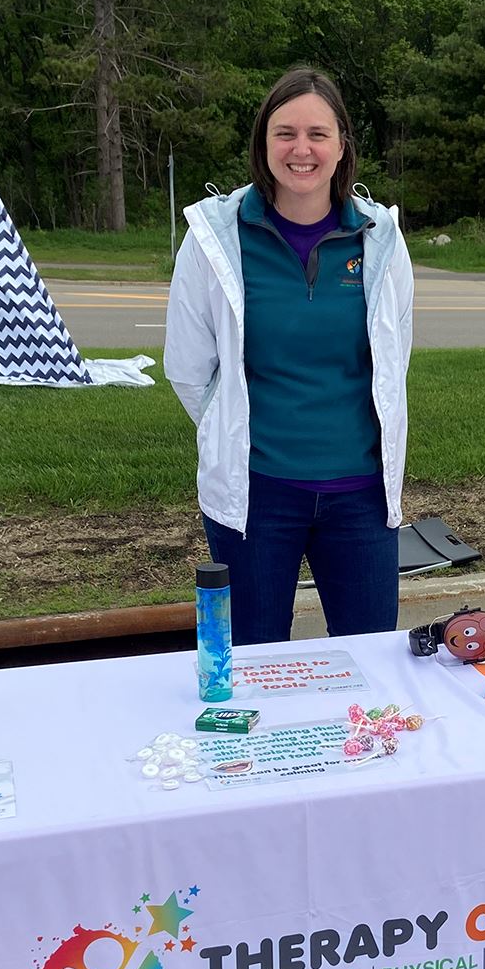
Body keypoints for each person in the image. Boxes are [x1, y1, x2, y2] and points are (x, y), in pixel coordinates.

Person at [164, 67, 414, 645]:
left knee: (369, 662)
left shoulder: (380, 237)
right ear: (263, 142)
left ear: (342, 145)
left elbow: (393, 359)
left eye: (318, 134)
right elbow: (189, 369)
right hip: (256, 495)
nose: (302, 149)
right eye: (285, 133)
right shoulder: (215, 237)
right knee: (253, 663)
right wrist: (232, 437)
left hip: (361, 495)